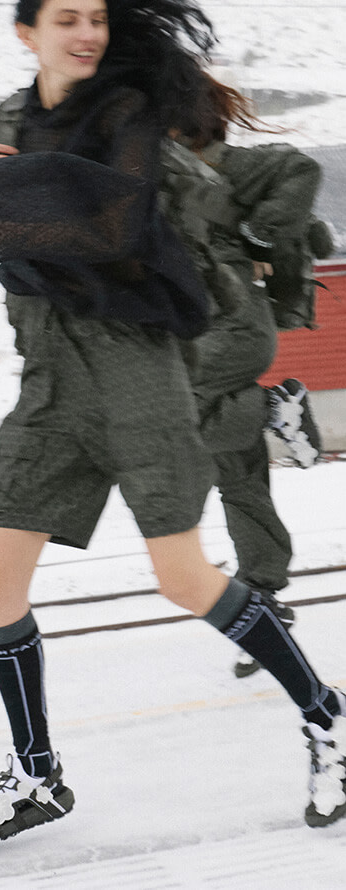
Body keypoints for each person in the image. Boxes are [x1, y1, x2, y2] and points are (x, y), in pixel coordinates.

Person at [0, 0, 346, 845]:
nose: (87, 33)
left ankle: (325, 715)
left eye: (98, 18)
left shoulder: (127, 118)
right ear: (26, 30)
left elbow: (106, 225)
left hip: (134, 368)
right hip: (48, 378)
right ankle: (37, 774)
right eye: (67, 17)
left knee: (182, 576)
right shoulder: (8, 120)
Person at [160, 74, 328, 678]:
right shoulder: (168, 177)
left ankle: (273, 406)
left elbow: (300, 168)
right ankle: (263, 595)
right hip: (201, 329)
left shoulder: (226, 166)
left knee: (173, 416)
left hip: (231, 327)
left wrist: (260, 233)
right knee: (240, 478)